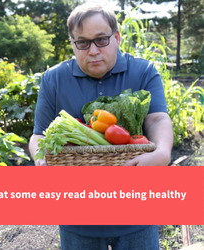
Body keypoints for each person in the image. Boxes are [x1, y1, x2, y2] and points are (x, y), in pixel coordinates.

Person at [29, 3, 174, 250]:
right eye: (82, 42)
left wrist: (162, 152)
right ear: (72, 44)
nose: (93, 50)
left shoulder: (143, 71)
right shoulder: (53, 78)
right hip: (77, 218)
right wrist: (41, 160)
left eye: (101, 40)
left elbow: (157, 118)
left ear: (117, 38)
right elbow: (39, 135)